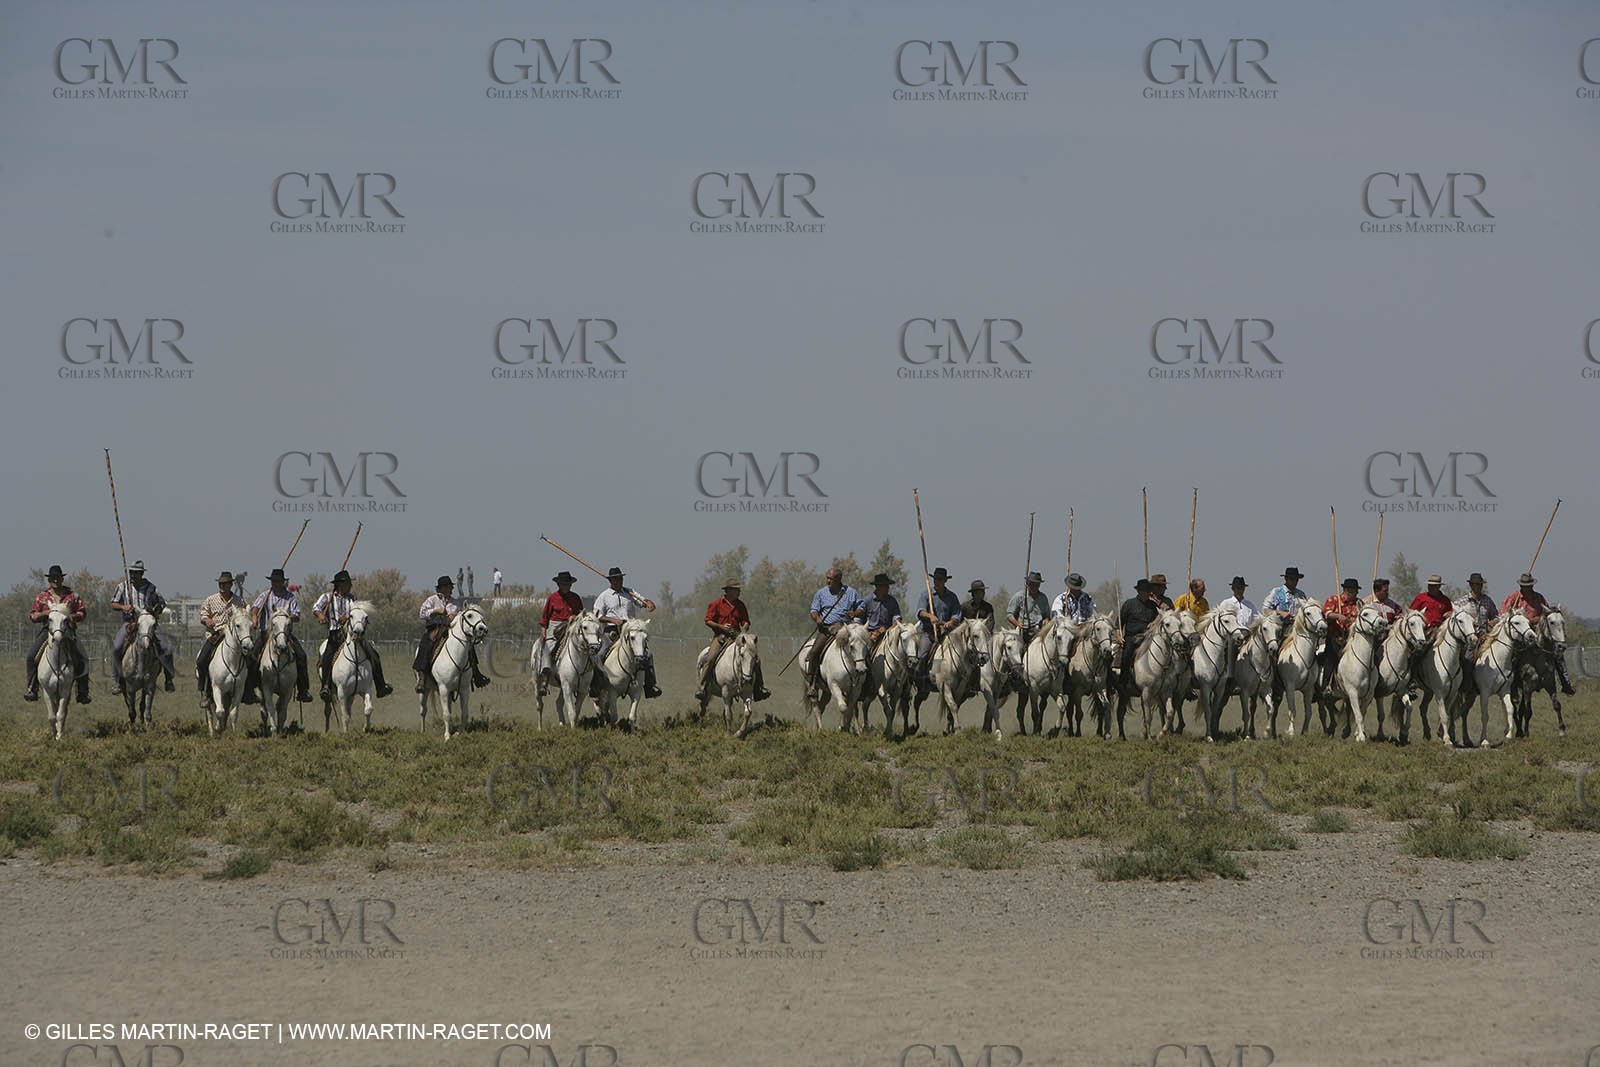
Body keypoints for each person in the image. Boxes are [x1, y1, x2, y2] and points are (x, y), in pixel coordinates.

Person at [313, 570, 393, 701]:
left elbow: (357, 614)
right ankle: (326, 686)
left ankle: (381, 686)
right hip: (336, 633)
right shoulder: (327, 597)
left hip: (353, 633)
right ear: (340, 585)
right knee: (327, 656)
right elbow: (315, 608)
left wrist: (349, 618)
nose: (350, 585)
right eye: (348, 583)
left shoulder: (353, 598)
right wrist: (321, 616)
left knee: (374, 654)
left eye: (350, 583)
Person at [23, 565, 91, 704]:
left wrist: (72, 616)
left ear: (62, 578)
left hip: (68, 631)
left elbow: (82, 612)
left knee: (83, 658)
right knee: (31, 656)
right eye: (53, 578)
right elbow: (32, 616)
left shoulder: (72, 596)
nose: (55, 580)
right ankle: (32, 688)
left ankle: (82, 691)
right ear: (49, 580)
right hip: (48, 630)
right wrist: (44, 614)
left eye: (58, 577)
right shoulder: (42, 597)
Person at [695, 579, 770, 702]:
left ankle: (759, 688)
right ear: (728, 591)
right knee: (710, 658)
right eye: (736, 590)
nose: (739, 592)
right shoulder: (717, 604)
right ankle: (702, 687)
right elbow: (708, 620)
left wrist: (744, 629)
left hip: (737, 637)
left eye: (739, 590)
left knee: (755, 658)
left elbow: (745, 621)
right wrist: (721, 627)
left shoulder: (740, 605)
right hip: (720, 638)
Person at [1501, 573, 1576, 695]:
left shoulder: (1539, 598)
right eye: (1525, 586)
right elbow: (1503, 614)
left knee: (1557, 655)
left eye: (1529, 586)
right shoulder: (1513, 598)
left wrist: (1536, 620)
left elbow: (1547, 614)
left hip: (1537, 630)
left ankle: (1565, 683)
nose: (1527, 588)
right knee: (1512, 656)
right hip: (1519, 633)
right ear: (1521, 586)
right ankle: (1509, 682)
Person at [246, 568, 312, 704]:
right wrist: (254, 618)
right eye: (274, 581)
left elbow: (297, 615)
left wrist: (287, 618)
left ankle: (303, 690)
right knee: (251, 656)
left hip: (285, 634)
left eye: (279, 581)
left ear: (283, 582)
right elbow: (255, 609)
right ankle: (249, 689)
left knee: (301, 656)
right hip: (266, 633)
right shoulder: (265, 595)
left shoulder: (290, 597)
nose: (276, 584)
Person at [413, 575, 490, 692]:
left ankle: (476, 674)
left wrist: (456, 616)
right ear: (441, 588)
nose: (451, 589)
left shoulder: (456, 602)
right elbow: (422, 613)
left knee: (468, 646)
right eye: (449, 587)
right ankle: (422, 677)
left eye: (451, 587)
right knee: (425, 643)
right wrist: (436, 611)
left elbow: (463, 617)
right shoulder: (432, 600)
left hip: (451, 629)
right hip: (435, 628)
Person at [593, 566, 662, 698]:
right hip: (612, 631)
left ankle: (649, 685)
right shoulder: (604, 596)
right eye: (616, 579)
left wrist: (649, 604)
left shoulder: (630, 592)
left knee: (647, 654)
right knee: (600, 653)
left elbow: (644, 602)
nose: (619, 581)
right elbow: (598, 616)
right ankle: (597, 685)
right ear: (611, 581)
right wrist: (614, 621)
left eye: (620, 578)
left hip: (631, 632)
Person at [110, 560, 175, 695]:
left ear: (141, 574)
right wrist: (124, 607)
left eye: (136, 573)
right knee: (116, 648)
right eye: (131, 573)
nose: (133, 575)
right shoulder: (123, 587)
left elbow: (162, 603)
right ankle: (117, 680)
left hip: (148, 622)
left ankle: (169, 679)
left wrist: (155, 610)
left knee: (166, 647)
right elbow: (113, 603)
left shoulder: (151, 588)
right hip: (130, 623)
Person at [1113, 578, 1163, 714]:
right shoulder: (1129, 604)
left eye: (1148, 592)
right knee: (1127, 652)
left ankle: (1161, 680)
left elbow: (1157, 621)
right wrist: (1119, 636)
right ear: (1139, 591)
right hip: (1131, 637)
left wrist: (1153, 625)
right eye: (1144, 591)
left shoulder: (1153, 607)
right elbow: (1119, 623)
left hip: (1147, 637)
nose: (1147, 594)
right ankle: (1125, 679)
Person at [196, 571, 245, 710]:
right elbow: (203, 614)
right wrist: (207, 620)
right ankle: (205, 691)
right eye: (221, 584)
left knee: (251, 659)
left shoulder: (239, 601)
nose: (223, 586)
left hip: (234, 639)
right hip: (214, 636)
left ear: (231, 584)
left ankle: (248, 690)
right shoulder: (211, 600)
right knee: (201, 660)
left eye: (226, 583)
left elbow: (243, 615)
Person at [914, 567, 963, 693]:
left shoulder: (952, 597)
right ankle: (921, 680)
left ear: (945, 581)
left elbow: (957, 615)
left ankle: (962, 681)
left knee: (963, 653)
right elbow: (919, 611)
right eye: (935, 579)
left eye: (940, 579)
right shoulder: (926, 594)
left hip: (947, 632)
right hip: (928, 632)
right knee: (922, 655)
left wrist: (950, 622)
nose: (937, 581)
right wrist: (930, 616)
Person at [535, 571, 583, 696]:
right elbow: (545, 617)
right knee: (548, 648)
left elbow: (582, 615)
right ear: (559, 584)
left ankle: (591, 679)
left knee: (587, 647)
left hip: (572, 627)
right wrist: (544, 633)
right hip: (555, 627)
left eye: (568, 584)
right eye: (564, 584)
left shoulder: (576, 598)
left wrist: (574, 617)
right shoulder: (552, 598)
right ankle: (544, 679)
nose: (567, 586)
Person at [1319, 578, 1363, 694]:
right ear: (1346, 590)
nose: (1354, 594)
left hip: (1352, 638)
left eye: (1355, 591)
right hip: (1335, 637)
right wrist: (1338, 616)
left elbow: (1364, 618)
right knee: (1331, 658)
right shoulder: (1334, 600)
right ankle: (1326, 686)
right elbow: (1326, 613)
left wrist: (1353, 620)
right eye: (1352, 591)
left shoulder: (1359, 603)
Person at [1007, 571, 1051, 645]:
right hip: (1022, 630)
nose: (1034, 587)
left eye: (1037, 585)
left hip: (1038, 630)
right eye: (1032, 584)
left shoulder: (1043, 598)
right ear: (1027, 584)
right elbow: (1009, 615)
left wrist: (1046, 620)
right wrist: (1018, 623)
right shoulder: (1019, 596)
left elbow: (1047, 615)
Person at [861, 574, 901, 644]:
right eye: (885, 586)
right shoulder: (867, 600)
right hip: (869, 633)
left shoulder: (892, 601)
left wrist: (888, 629)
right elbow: (859, 618)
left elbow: (897, 619)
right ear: (877, 587)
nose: (888, 588)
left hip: (887, 633)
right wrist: (867, 632)